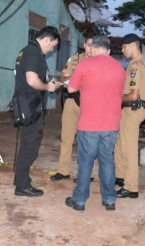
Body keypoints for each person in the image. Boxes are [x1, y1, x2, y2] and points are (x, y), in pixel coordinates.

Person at [64, 35, 126, 211]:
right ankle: (109, 200)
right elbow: (120, 92)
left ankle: (80, 200)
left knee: (86, 162)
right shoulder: (119, 68)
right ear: (108, 50)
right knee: (107, 161)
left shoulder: (85, 64)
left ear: (92, 48)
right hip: (111, 124)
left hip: (89, 123)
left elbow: (71, 89)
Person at [13, 26, 61, 197]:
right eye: (53, 45)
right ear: (47, 40)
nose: (52, 49)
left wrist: (50, 83)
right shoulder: (33, 53)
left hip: (27, 104)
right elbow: (32, 81)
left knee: (28, 143)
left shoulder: (27, 51)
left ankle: (20, 178)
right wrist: (48, 86)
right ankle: (22, 185)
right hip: (30, 105)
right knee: (30, 146)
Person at [114, 33, 145, 199]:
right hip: (136, 109)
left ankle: (131, 187)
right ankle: (121, 177)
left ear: (132, 45)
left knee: (128, 148)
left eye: (123, 47)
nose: (122, 51)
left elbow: (133, 95)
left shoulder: (135, 66)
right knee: (120, 144)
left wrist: (115, 100)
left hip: (132, 109)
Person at [50, 35, 93, 182]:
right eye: (88, 44)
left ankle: (86, 173)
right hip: (72, 101)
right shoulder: (74, 59)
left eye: (93, 45)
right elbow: (63, 78)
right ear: (84, 45)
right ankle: (63, 171)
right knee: (67, 137)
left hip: (89, 103)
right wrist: (73, 77)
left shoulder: (99, 62)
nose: (90, 48)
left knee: (87, 140)